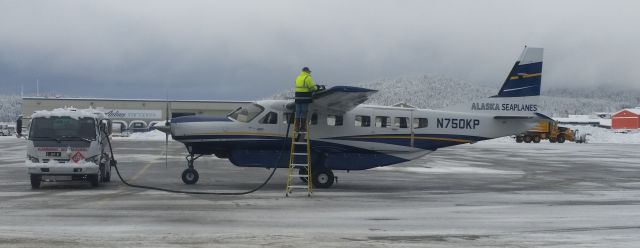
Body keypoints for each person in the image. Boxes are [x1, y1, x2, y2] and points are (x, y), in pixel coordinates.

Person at [294, 67, 318, 131]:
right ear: (306, 71)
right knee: (304, 112)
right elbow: (312, 87)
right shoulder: (308, 77)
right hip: (305, 97)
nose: (310, 72)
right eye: (309, 71)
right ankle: (302, 128)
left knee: (298, 112)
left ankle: (296, 127)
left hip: (297, 97)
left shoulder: (298, 77)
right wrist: (317, 88)